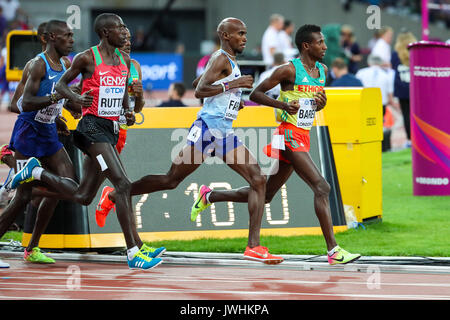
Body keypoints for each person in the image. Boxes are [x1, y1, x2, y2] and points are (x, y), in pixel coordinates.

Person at [97, 17, 284, 264]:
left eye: (245, 33)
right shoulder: (220, 58)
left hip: (224, 132)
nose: (245, 38)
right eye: (240, 33)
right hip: (207, 131)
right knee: (171, 180)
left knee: (257, 179)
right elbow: (198, 91)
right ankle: (115, 194)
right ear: (226, 36)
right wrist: (234, 84)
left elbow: (200, 81)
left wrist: (232, 99)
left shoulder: (226, 61)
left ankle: (253, 246)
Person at [190, 24, 361, 266]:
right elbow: (256, 94)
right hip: (289, 136)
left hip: (303, 134)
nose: (325, 47)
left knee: (266, 194)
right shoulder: (288, 70)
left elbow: (312, 104)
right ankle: (333, 250)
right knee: (322, 187)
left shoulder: (322, 71)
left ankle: (210, 196)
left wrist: (320, 104)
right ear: (306, 46)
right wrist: (282, 106)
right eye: (320, 43)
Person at [10, 13, 162, 270]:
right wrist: (76, 100)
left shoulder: (125, 60)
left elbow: (124, 100)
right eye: (119, 28)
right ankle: (134, 252)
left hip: (111, 129)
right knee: (122, 184)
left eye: (125, 28)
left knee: (84, 195)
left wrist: (128, 112)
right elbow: (59, 85)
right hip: (91, 129)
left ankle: (34, 172)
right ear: (105, 33)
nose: (125, 33)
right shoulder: (87, 58)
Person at [0, 20, 78, 264]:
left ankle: (32, 248)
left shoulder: (65, 65)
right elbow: (21, 104)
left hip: (48, 133)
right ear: (52, 37)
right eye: (67, 36)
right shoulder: (37, 65)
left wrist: (62, 115)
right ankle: (19, 171)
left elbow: (64, 100)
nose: (72, 40)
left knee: (67, 184)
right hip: (28, 133)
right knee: (23, 197)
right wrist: (55, 98)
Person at [356, 54, 394, 152]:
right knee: (378, 125)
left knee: (366, 124)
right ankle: (379, 145)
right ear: (381, 63)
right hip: (381, 104)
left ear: (369, 62)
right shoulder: (386, 75)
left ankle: (367, 144)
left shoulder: (361, 73)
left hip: (365, 102)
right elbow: (390, 95)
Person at [391, 31, 417, 147]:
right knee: (416, 114)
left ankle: (409, 140)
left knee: (406, 114)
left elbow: (393, 67)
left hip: (401, 87)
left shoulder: (395, 54)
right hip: (414, 87)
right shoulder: (415, 52)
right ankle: (417, 138)